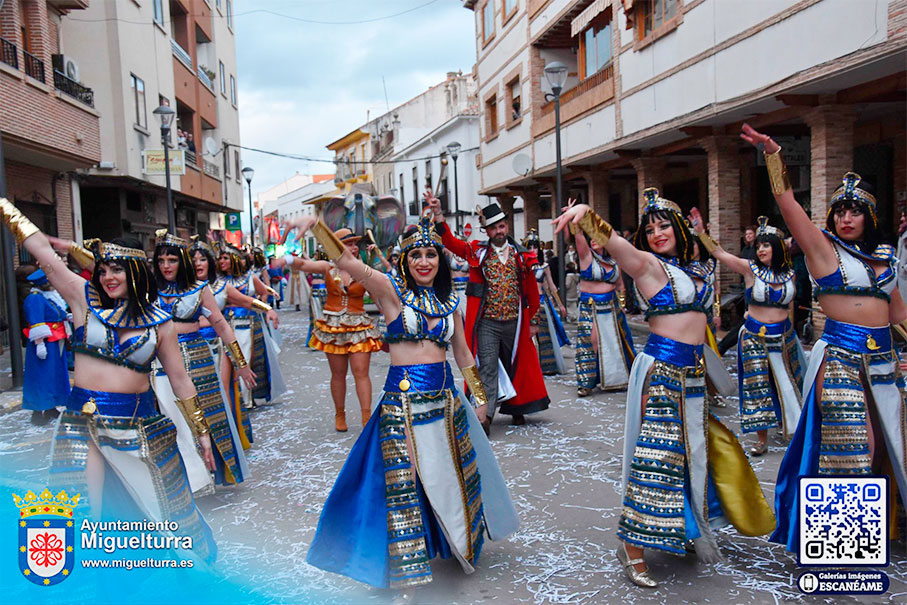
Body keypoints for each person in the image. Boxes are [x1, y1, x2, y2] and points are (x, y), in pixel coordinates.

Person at [552, 189, 775, 588]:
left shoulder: (694, 269)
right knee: (656, 458)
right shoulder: (649, 266)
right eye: (650, 228)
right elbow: (617, 246)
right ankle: (631, 547)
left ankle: (686, 527)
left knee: (693, 455)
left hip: (693, 374)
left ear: (679, 229)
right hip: (663, 372)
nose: (657, 234)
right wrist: (587, 216)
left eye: (664, 226)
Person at [297, 213, 519, 589]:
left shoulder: (451, 303)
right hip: (402, 406)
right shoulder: (390, 292)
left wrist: (480, 399)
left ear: (440, 261)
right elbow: (347, 261)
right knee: (405, 483)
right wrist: (317, 226)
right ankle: (406, 572)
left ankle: (457, 544)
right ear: (405, 260)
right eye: (416, 255)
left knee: (450, 478)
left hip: (446, 406)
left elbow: (463, 355)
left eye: (431, 254)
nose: (424, 262)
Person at [0, 199, 216, 561]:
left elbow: (180, 380)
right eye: (102, 270)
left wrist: (201, 432)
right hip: (81, 422)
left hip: (139, 427)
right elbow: (41, 252)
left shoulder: (161, 322)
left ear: (135, 272)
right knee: (83, 511)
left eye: (117, 270)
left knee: (167, 515)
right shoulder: (83, 300)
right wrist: (5, 206)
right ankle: (95, 581)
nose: (107, 278)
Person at [739, 124, 907, 553]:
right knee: (852, 447)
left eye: (855, 212)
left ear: (870, 217)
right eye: (840, 211)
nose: (845, 219)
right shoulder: (823, 249)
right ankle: (840, 549)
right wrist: (773, 156)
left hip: (886, 362)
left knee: (888, 446)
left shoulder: (885, 258)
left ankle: (878, 530)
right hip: (840, 361)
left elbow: (899, 315)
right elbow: (788, 204)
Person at [427, 197, 549, 433]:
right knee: (487, 367)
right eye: (493, 228)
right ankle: (486, 416)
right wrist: (439, 215)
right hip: (487, 323)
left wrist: (534, 321)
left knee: (516, 365)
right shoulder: (477, 251)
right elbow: (450, 243)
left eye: (501, 226)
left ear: (507, 226)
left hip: (515, 322)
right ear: (487, 231)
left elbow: (531, 291)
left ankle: (517, 408)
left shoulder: (520, 255)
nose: (498, 231)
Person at [690, 211, 805, 455]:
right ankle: (761, 439)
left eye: (766, 245)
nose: (761, 250)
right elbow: (721, 253)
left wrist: (793, 332)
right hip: (754, 337)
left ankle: (793, 428)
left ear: (777, 247)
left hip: (784, 337)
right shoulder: (750, 269)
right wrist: (702, 233)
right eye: (759, 245)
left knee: (788, 382)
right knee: (757, 386)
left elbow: (791, 307)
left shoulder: (790, 273)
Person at [153, 230, 256, 491]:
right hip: (160, 362)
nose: (166, 266)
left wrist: (241, 363)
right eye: (161, 260)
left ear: (182, 262)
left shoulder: (200, 289)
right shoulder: (148, 290)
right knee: (170, 418)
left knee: (208, 416)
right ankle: (184, 480)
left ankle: (207, 475)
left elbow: (221, 324)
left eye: (172, 260)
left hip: (198, 358)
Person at [272, 228, 382, 431]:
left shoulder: (363, 270)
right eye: (348, 244)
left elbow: (379, 296)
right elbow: (303, 264)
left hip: (359, 325)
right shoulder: (328, 267)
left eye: (355, 244)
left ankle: (366, 417)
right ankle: (340, 414)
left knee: (361, 372)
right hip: (334, 328)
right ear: (336, 247)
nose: (354, 248)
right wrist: (286, 259)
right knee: (338, 374)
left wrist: (390, 318)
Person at [217, 241, 279, 443]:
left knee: (246, 359)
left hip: (247, 325)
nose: (221, 261)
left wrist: (264, 308)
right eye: (220, 258)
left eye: (225, 258)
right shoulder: (217, 282)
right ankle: (237, 402)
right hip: (226, 328)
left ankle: (247, 398)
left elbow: (262, 293)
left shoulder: (249, 277)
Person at [572, 221, 635, 394]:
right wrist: (575, 221)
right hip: (591, 306)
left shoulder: (614, 261)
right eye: (591, 237)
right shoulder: (587, 257)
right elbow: (579, 238)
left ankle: (617, 379)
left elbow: (620, 285)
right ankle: (586, 383)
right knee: (590, 342)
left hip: (612, 306)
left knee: (616, 342)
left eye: (597, 237)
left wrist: (622, 305)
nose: (593, 240)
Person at [22, 269, 70, 424]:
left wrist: (67, 317)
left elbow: (57, 314)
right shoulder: (35, 298)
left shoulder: (48, 297)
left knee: (54, 374)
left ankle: (50, 407)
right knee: (41, 375)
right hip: (44, 342)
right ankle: (37, 411)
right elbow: (36, 322)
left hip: (55, 341)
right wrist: (39, 344)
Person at [524, 230, 569, 375]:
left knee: (544, 336)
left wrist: (560, 304)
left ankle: (546, 366)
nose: (532, 250)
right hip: (526, 304)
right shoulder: (522, 264)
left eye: (535, 247)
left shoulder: (544, 266)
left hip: (541, 303)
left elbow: (552, 286)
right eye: (530, 247)